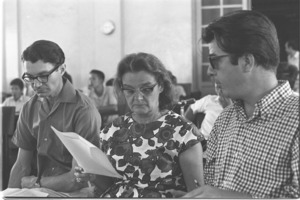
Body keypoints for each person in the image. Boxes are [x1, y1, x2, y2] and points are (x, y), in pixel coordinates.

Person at [183, 10, 299, 198]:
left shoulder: (295, 119)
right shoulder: (226, 118)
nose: (209, 72)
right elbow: (213, 186)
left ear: (246, 61)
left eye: (214, 60)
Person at [75, 52, 204, 198]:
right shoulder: (113, 130)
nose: (137, 97)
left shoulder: (183, 132)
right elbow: (111, 186)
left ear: (161, 86)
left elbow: (197, 193)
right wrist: (92, 176)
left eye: (146, 89)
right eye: (129, 90)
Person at [8, 40, 102, 193]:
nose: (36, 84)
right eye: (30, 77)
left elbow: (76, 179)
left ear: (62, 69)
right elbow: (21, 165)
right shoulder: (29, 107)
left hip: (75, 193)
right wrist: (9, 194)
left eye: (43, 76)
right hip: (40, 190)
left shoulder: (84, 110)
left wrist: (37, 183)